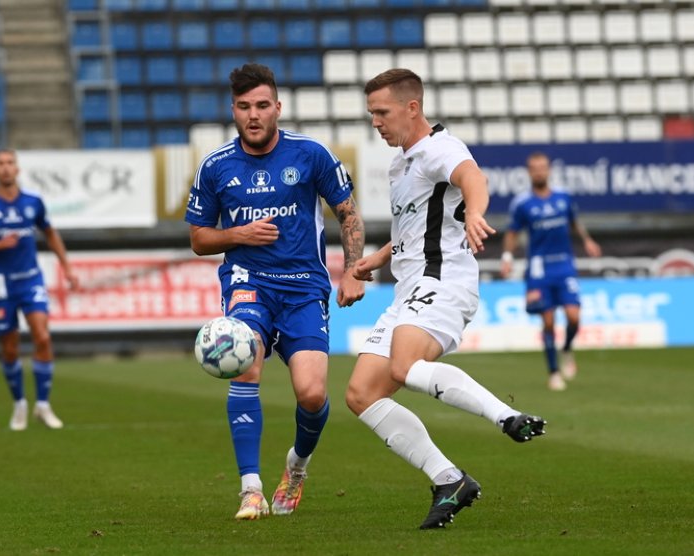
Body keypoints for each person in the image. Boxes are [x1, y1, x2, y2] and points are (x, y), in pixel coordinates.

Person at [345, 68, 546, 530]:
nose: (375, 121)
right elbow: (414, 231)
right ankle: (448, 479)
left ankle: (507, 416)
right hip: (409, 286)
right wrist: (375, 258)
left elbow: (472, 177)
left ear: (411, 107)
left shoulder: (441, 148)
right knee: (362, 393)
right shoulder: (403, 162)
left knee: (403, 367)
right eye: (371, 113)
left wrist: (476, 211)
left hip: (443, 279)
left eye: (382, 112)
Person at [185, 63, 366, 520]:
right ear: (234, 110)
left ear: (277, 108)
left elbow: (348, 212)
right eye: (244, 107)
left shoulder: (310, 155)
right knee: (244, 367)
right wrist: (239, 236)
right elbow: (199, 238)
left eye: (262, 105)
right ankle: (250, 489)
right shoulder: (216, 166)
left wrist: (354, 272)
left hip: (304, 289)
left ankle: (297, 467)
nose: (253, 115)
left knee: (311, 394)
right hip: (249, 284)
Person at [0, 149, 78, 430]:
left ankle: (42, 404)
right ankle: (19, 404)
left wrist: (67, 267)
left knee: (42, 336)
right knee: (10, 346)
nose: (5, 168)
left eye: (10, 163)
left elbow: (50, 232)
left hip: (30, 280)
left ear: (17, 169)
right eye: (0, 164)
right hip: (1, 285)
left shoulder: (33, 202)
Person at [500, 152, 602, 391]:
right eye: (534, 168)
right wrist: (507, 257)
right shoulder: (522, 203)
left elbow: (574, 221)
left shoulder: (564, 197)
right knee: (547, 322)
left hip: (564, 264)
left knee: (574, 317)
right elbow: (512, 232)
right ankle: (554, 372)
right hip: (539, 268)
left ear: (549, 170)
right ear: (529, 172)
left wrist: (587, 240)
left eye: (543, 167)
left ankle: (566, 347)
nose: (539, 172)